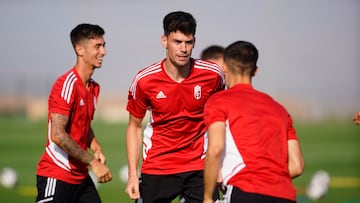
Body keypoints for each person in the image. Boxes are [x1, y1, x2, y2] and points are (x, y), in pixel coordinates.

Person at [125, 11, 225, 203]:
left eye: (188, 42)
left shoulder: (213, 75)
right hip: (158, 165)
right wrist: (132, 174)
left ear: (194, 42)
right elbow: (134, 127)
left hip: (200, 167)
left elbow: (219, 122)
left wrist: (220, 165)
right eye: (177, 42)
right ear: (164, 41)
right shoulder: (145, 80)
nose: (184, 49)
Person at [203, 41, 304, 203]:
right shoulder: (279, 109)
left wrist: (208, 197)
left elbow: (215, 148)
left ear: (224, 68)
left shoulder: (219, 101)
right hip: (285, 195)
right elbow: (297, 165)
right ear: (255, 71)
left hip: (245, 192)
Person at [35, 23, 112, 203]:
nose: (103, 52)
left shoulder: (93, 87)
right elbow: (58, 134)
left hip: (81, 178)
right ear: (80, 49)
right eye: (97, 47)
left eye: (104, 45)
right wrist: (93, 162)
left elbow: (83, 125)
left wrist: (96, 147)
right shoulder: (66, 85)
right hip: (57, 174)